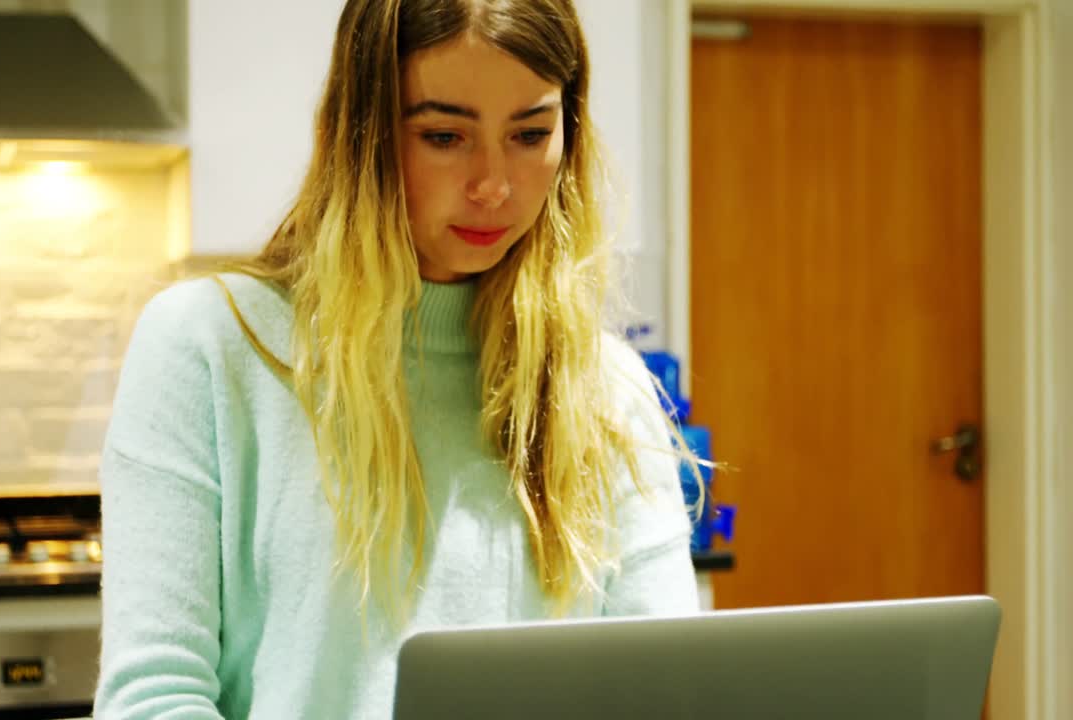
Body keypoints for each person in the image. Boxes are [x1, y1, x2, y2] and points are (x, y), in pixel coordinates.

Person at [93, 1, 698, 717]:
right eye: (445, 135)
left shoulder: (605, 390)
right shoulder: (208, 347)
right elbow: (154, 697)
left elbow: (668, 691)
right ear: (362, 134)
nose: (494, 184)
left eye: (531, 134)